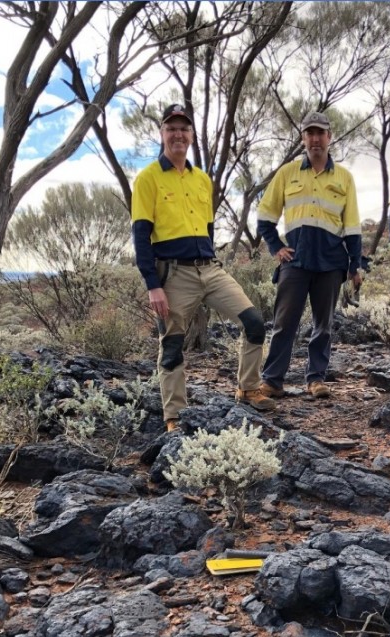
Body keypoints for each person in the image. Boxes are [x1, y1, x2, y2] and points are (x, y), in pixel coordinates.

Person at [131, 103, 275, 430]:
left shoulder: (202, 180)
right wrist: (153, 284)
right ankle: (175, 418)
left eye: (184, 129)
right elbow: (140, 235)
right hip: (173, 274)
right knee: (171, 347)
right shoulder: (148, 179)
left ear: (192, 136)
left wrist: (211, 259)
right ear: (162, 134)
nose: (178, 134)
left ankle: (248, 388)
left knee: (253, 321)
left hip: (209, 268)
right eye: (172, 128)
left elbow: (208, 228)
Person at [256, 111, 363, 400]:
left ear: (329, 137)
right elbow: (265, 217)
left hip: (330, 262)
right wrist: (276, 247)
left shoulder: (344, 178)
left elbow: (352, 225)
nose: (315, 139)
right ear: (303, 138)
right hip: (296, 261)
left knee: (323, 325)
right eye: (309, 133)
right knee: (283, 323)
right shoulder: (287, 173)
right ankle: (273, 381)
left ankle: (316, 379)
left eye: (321, 133)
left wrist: (356, 264)